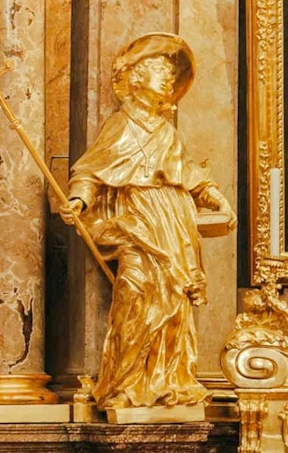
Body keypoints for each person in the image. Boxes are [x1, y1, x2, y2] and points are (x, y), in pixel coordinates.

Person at [63, 33, 237, 416]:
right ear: (136, 76)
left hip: (173, 223)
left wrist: (215, 197)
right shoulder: (118, 126)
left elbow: (189, 176)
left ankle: (169, 380)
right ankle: (124, 383)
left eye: (169, 74)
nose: (166, 78)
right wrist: (79, 198)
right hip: (137, 225)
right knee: (134, 295)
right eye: (158, 69)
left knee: (174, 306)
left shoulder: (166, 132)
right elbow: (91, 170)